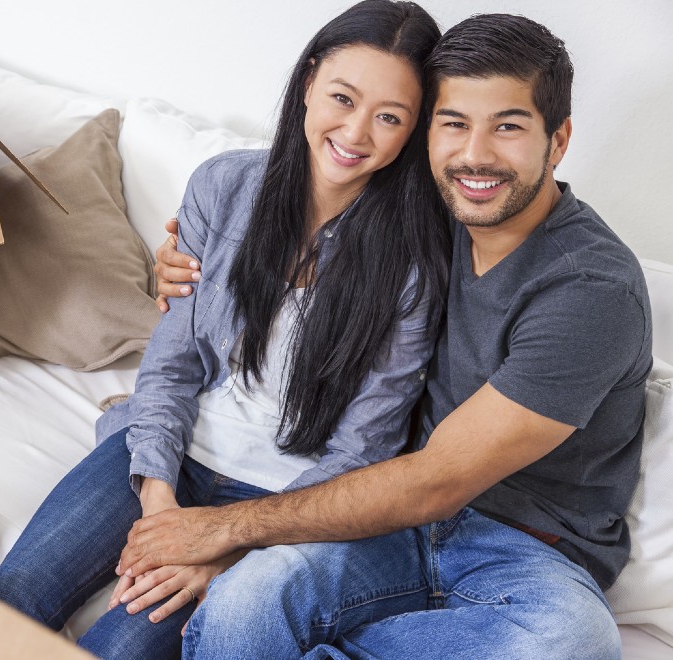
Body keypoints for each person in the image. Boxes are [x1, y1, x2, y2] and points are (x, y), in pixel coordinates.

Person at [135, 12, 652, 659]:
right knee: (244, 605)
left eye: (509, 127)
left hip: (521, 549)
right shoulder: (425, 216)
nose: (476, 154)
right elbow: (269, 230)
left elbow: (437, 481)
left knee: (571, 640)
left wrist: (225, 531)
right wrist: (181, 262)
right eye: (454, 123)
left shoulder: (589, 289)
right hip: (383, 526)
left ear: (559, 138)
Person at [0, 1, 453, 658]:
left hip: (283, 499)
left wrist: (227, 553)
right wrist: (161, 508)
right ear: (310, 80)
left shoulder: (413, 264)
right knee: (10, 594)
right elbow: (171, 364)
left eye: (390, 117)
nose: (356, 131)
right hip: (165, 457)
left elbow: (363, 450)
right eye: (343, 98)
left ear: (414, 130)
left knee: (115, 649)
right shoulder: (223, 188)